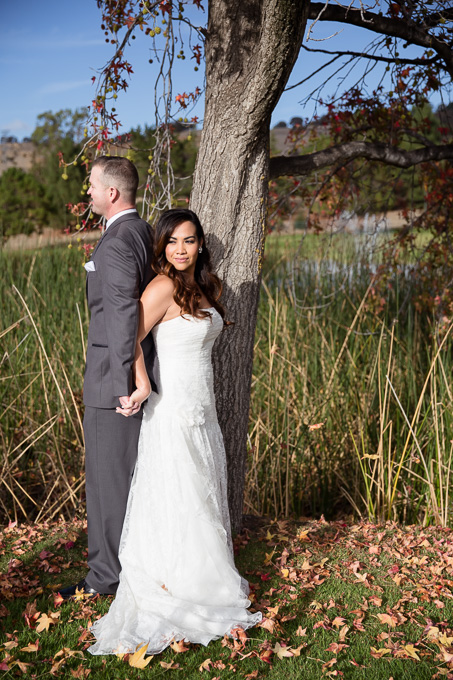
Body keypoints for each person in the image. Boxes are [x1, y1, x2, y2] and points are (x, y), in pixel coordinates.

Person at [88, 208, 262, 655]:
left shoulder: (204, 287)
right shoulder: (162, 286)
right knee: (180, 494)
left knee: (201, 492)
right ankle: (178, 584)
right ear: (162, 246)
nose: (181, 249)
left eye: (189, 240)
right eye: (172, 242)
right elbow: (128, 336)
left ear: (200, 243)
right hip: (172, 409)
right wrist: (142, 383)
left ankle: (205, 574)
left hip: (202, 409)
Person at [59, 156, 155, 599]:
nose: (89, 192)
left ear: (112, 192)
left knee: (106, 483)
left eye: (93, 186)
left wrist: (122, 384)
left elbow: (122, 315)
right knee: (119, 478)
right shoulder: (141, 231)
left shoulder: (118, 241)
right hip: (126, 372)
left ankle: (105, 578)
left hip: (110, 380)